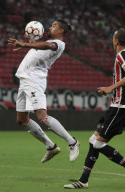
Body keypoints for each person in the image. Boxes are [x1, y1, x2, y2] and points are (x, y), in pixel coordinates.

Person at [64, 28, 125, 189]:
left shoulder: (122, 55)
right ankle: (84, 181)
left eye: (113, 38)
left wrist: (110, 88)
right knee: (93, 141)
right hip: (118, 105)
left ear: (116, 41)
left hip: (120, 107)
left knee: (99, 144)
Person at [7, 19, 80, 163]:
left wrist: (25, 44)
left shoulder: (59, 44)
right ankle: (50, 146)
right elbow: (42, 45)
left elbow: (48, 45)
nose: (50, 27)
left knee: (41, 116)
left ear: (61, 31)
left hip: (34, 80)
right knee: (21, 120)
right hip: (24, 80)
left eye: (54, 26)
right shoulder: (42, 43)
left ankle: (72, 142)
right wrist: (28, 45)